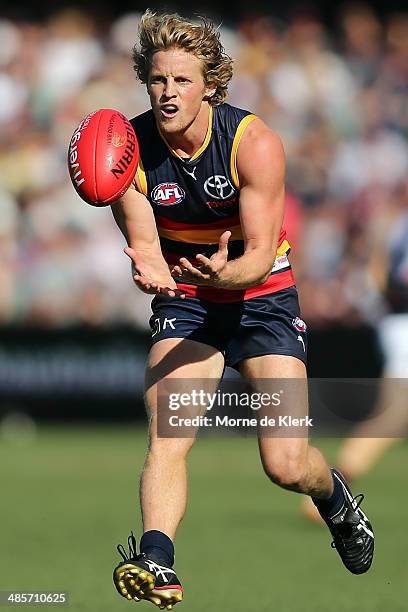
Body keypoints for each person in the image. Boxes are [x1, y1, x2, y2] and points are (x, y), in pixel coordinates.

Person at [109, 9, 374, 609]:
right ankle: (157, 559)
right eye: (157, 81)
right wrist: (148, 267)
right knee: (167, 429)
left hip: (262, 299)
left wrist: (226, 273)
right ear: (144, 82)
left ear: (210, 84)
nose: (168, 93)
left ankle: (334, 498)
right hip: (189, 301)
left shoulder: (253, 143)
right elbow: (145, 243)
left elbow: (258, 255)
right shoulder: (126, 149)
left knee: (284, 465)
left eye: (181, 80)